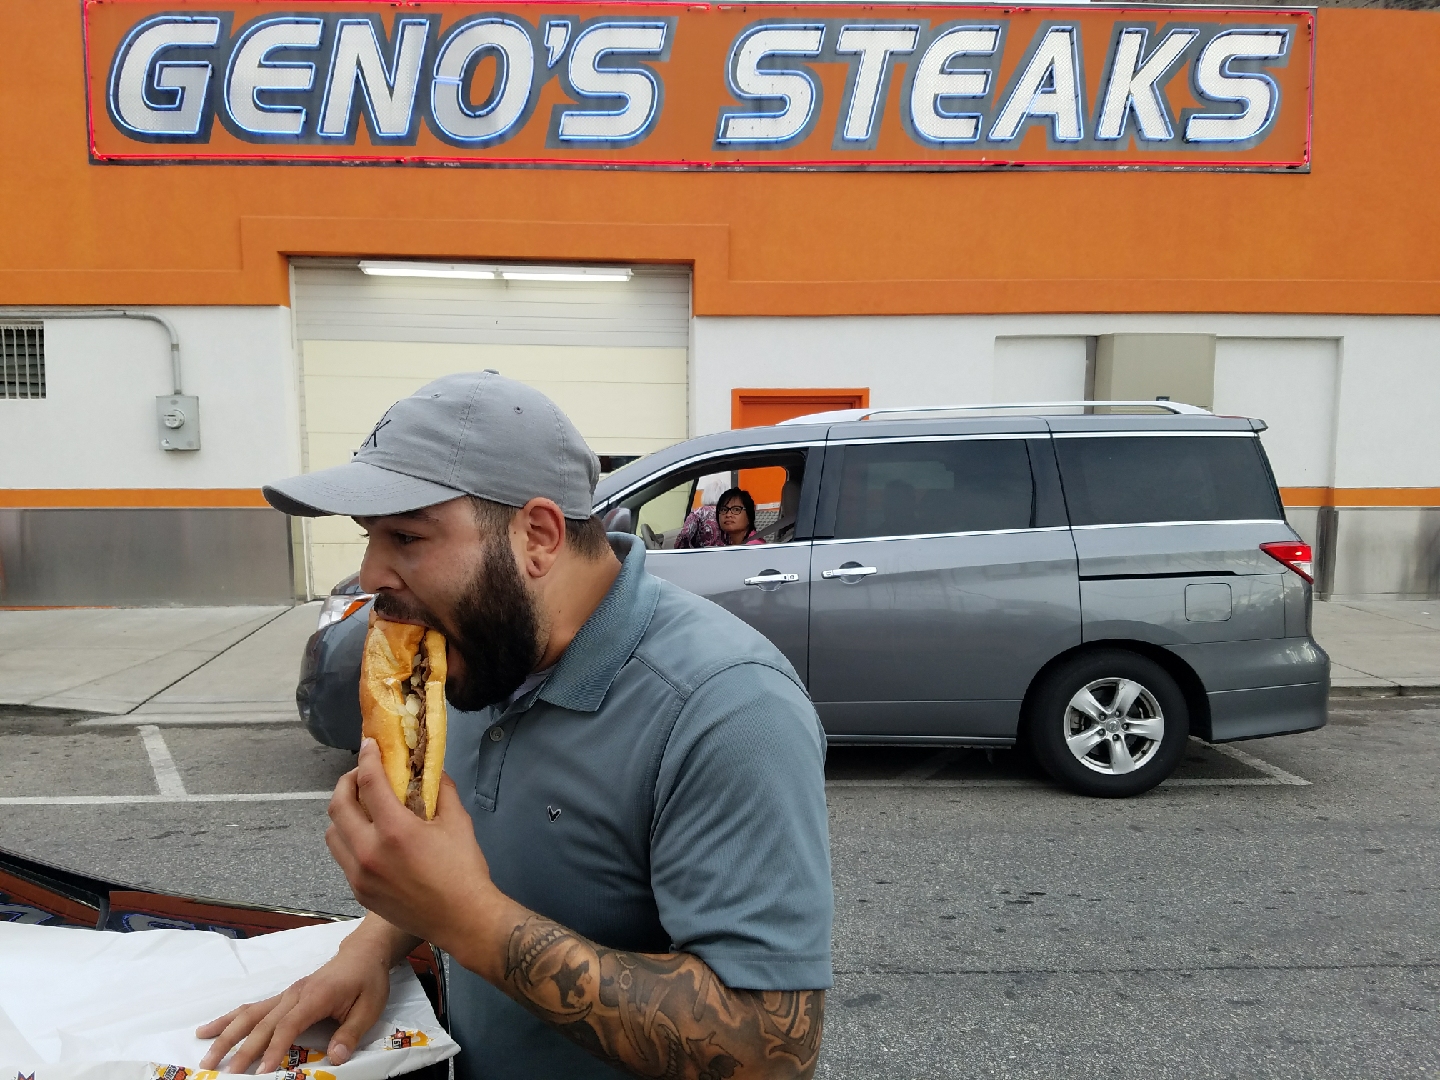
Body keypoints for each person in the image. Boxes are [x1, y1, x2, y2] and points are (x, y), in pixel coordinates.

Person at [197, 372, 832, 1080]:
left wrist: (470, 922)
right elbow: (460, 866)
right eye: (370, 536)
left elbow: (772, 1051)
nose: (370, 572)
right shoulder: (485, 654)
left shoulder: (727, 708)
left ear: (537, 535)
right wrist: (367, 950)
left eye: (407, 535)